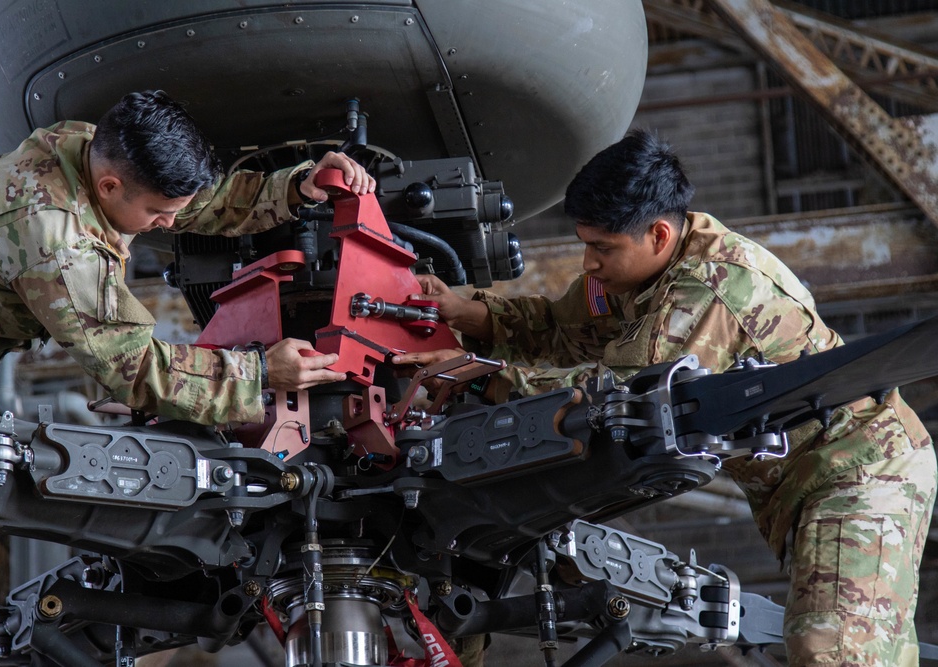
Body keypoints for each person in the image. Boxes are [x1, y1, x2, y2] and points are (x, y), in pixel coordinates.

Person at [392, 129, 937, 666]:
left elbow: (618, 398)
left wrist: (482, 377)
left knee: (831, 652)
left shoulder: (712, 290)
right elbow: (563, 330)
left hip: (859, 471)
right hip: (798, 487)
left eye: (601, 248)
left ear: (657, 235)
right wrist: (476, 315)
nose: (588, 264)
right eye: (586, 244)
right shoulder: (633, 276)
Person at [0, 90, 371, 663]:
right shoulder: (54, 235)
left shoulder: (96, 150)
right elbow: (137, 368)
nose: (168, 224)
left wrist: (294, 188)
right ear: (112, 187)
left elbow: (192, 202)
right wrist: (260, 372)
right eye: (156, 214)